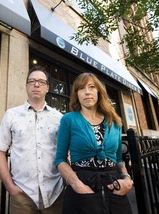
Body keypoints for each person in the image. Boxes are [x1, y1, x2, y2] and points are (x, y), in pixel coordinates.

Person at [55, 73, 133, 214]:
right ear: (77, 94)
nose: (87, 92)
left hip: (114, 188)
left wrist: (127, 179)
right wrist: (77, 185)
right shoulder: (69, 119)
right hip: (82, 186)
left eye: (91, 87)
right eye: (81, 88)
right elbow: (60, 159)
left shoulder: (114, 122)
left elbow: (119, 160)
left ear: (99, 92)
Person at [0, 66, 64, 214]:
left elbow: (65, 153)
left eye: (41, 82)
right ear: (26, 86)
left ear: (47, 87)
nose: (36, 85)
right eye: (32, 81)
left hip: (55, 194)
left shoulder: (59, 118)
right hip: (22, 195)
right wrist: (9, 186)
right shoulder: (11, 115)